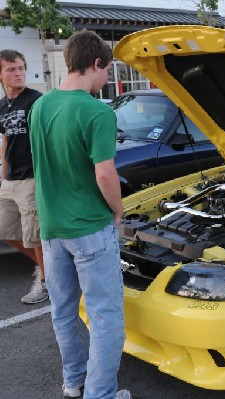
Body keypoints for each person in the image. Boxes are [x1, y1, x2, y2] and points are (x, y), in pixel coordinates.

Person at [28, 31, 131, 399]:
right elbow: (105, 175)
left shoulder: (40, 106)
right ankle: (101, 394)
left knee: (63, 310)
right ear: (96, 63)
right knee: (106, 319)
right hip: (89, 228)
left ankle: (74, 382)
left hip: (51, 228)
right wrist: (118, 214)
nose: (107, 80)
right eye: (108, 70)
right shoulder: (97, 110)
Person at [0, 49, 47, 304]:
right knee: (5, 229)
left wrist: (40, 176)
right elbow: (6, 138)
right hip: (11, 180)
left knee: (34, 234)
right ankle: (44, 266)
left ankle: (45, 281)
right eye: (11, 69)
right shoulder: (2, 106)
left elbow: (46, 139)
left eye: (20, 68)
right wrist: (3, 173)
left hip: (32, 178)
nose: (18, 73)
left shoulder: (36, 100)